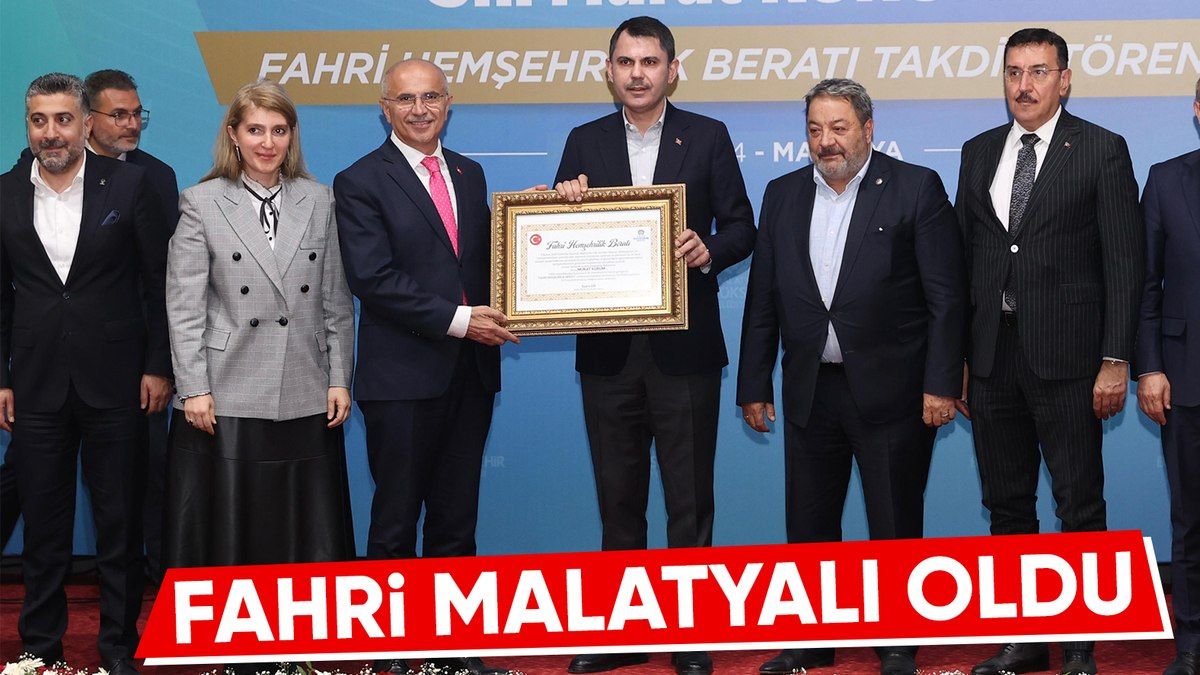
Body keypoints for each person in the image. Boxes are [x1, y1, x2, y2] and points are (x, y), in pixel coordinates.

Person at [736, 78, 966, 675]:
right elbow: (763, 298)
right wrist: (753, 383)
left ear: (868, 129)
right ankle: (812, 641)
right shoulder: (782, 194)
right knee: (809, 524)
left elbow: (947, 298)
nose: (826, 141)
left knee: (894, 523)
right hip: (811, 389)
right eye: (815, 129)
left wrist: (942, 383)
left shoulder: (915, 187)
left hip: (894, 391)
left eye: (838, 128)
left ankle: (898, 644)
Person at [552, 16, 756, 675]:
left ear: (672, 69)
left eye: (649, 61)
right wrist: (562, 202)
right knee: (618, 499)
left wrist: (707, 248)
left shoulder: (708, 135)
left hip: (685, 351)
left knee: (689, 500)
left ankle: (690, 636)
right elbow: (552, 235)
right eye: (625, 62)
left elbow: (743, 227)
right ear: (609, 71)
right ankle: (622, 634)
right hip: (607, 353)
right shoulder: (583, 140)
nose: (637, 74)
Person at [955, 28, 1143, 675]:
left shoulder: (1101, 148)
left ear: (1064, 80)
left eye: (1038, 71)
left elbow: (1124, 261)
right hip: (992, 359)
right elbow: (964, 262)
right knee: (1007, 505)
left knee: (1078, 505)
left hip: (1070, 360)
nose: (1024, 85)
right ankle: (1026, 638)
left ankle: (1082, 645)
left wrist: (1116, 357)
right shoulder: (979, 152)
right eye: (1014, 72)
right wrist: (958, 359)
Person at [334, 58, 516, 675]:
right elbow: (373, 278)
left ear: (449, 101)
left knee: (456, 522)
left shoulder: (469, 172)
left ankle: (454, 652)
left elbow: (486, 259)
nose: (420, 110)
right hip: (402, 380)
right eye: (406, 99)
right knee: (395, 521)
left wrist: (539, 228)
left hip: (471, 375)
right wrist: (462, 321)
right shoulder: (359, 180)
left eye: (431, 97)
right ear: (384, 107)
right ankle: (388, 655)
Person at [0, 72, 172, 675]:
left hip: (120, 382)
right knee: (43, 530)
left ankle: (118, 649)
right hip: (37, 386)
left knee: (118, 526)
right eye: (39, 121)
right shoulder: (4, 193)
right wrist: (2, 378)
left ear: (86, 123)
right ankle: (39, 650)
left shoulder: (130, 185)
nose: (51, 133)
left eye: (63, 119)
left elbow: (159, 285)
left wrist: (158, 367)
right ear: (28, 126)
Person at [163, 79, 355, 583]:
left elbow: (335, 300)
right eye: (255, 130)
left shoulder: (319, 199)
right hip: (226, 390)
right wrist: (193, 388)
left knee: (302, 530)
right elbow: (184, 307)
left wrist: (340, 377)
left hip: (305, 385)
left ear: (292, 136)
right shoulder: (201, 202)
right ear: (233, 135)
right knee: (234, 526)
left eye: (279, 130)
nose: (267, 143)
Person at [1134, 78, 1200, 675]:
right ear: (1198, 109)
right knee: (1192, 519)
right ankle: (1193, 643)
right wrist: (1150, 366)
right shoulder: (1165, 179)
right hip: (1186, 378)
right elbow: (1145, 287)